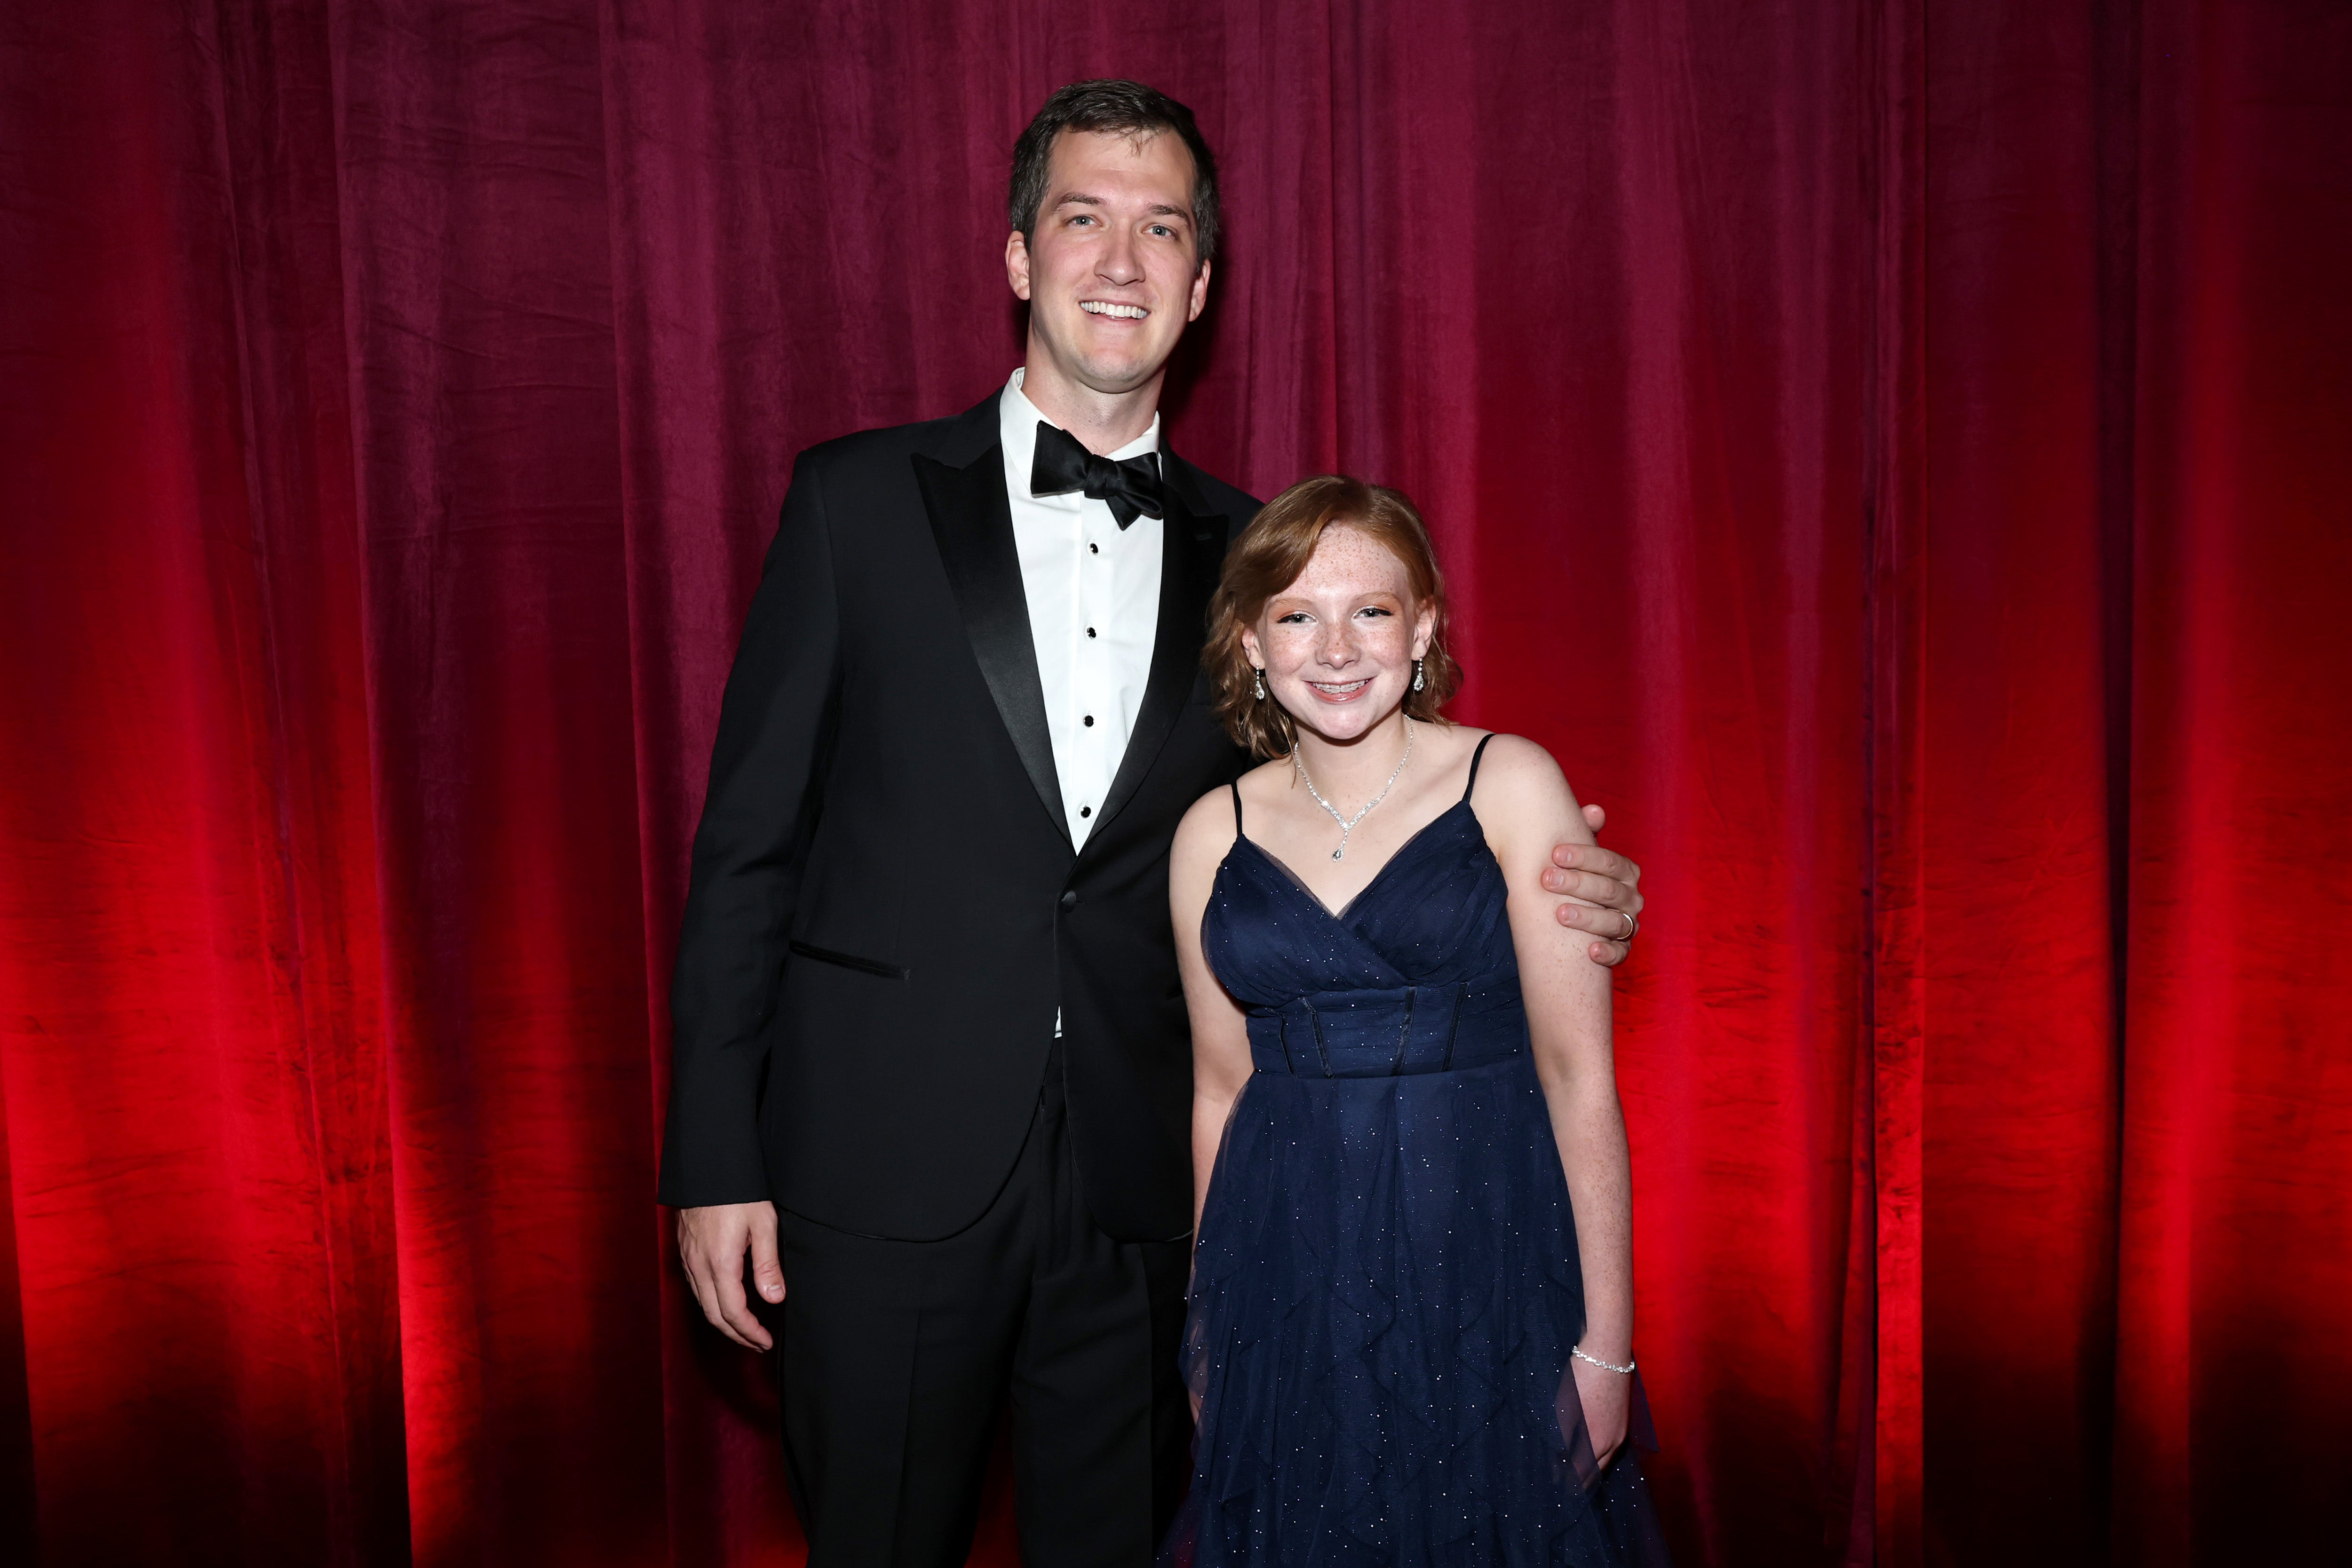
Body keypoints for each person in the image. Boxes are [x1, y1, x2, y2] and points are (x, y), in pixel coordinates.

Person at [657, 82, 1649, 1568]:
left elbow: (1348, 793)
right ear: (1016, 257)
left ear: (1199, 284)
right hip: (877, 1165)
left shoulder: (1263, 563)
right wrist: (713, 1152)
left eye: (1161, 228)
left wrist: (1550, 868)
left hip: (1150, 1204)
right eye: (1082, 218)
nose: (1119, 260)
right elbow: (746, 847)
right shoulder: (853, 503)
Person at [1167, 476, 1671, 1564]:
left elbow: (1579, 1074)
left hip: (1484, 1260)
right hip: (1288, 1278)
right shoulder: (1213, 829)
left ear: (1425, 626)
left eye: (1372, 610)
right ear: (1252, 640)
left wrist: (1607, 1346)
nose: (1336, 646)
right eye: (1297, 614)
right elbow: (1218, 1090)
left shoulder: (1510, 781)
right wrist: (1211, 1334)